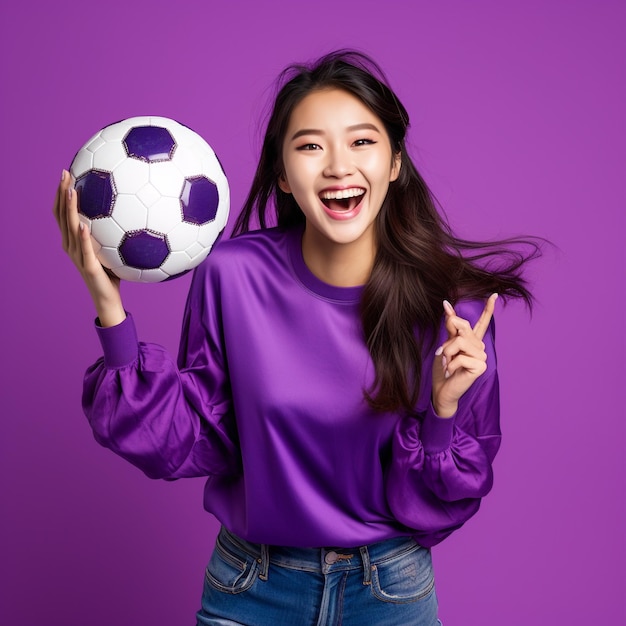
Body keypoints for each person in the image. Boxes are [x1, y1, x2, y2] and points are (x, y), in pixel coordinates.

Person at [53, 50, 538, 626]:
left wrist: (443, 408)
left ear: (395, 163)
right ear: (283, 173)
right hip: (251, 587)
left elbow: (437, 507)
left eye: (362, 142)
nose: (337, 166)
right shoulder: (231, 276)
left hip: (389, 593)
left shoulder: (454, 312)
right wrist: (109, 307)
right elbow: (193, 436)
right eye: (310, 146)